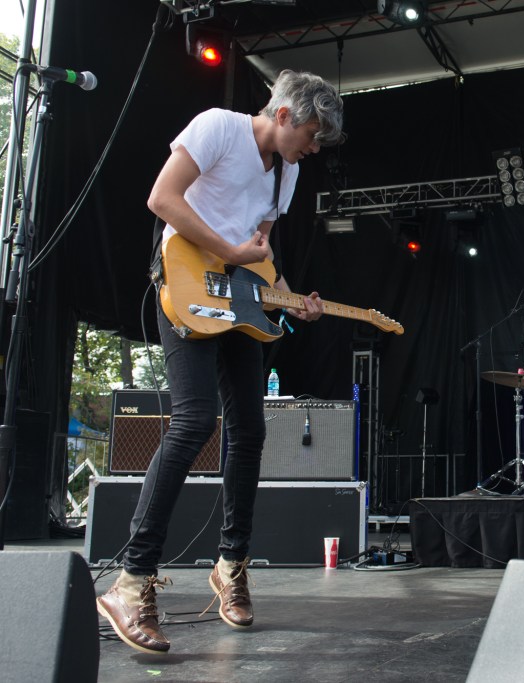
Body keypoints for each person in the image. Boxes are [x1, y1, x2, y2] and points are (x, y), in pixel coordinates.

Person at [96, 70, 345, 654]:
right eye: (311, 134)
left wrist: (291, 297)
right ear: (283, 115)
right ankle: (130, 582)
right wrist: (229, 249)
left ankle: (231, 565)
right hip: (186, 284)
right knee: (192, 421)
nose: (313, 147)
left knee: (250, 430)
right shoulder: (217, 127)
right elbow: (162, 198)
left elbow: (259, 256)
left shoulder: (287, 172)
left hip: (238, 299)